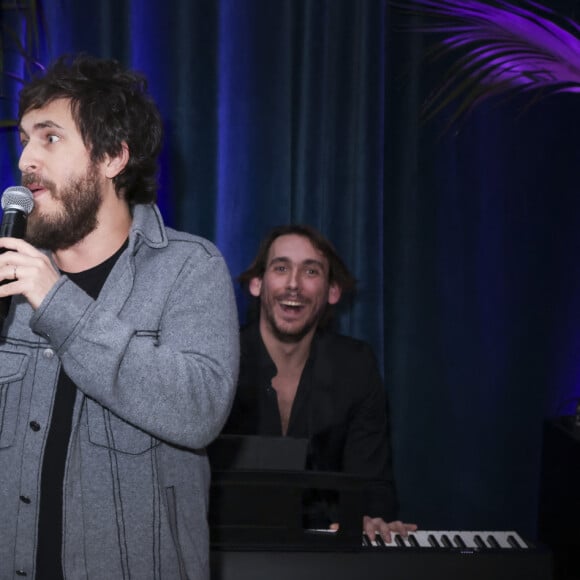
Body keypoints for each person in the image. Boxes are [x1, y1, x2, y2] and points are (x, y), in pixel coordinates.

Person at [0, 54, 239, 580]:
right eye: (24, 140)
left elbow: (199, 409)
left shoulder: (187, 269)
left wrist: (57, 302)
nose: (25, 161)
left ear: (111, 156)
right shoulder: (7, 277)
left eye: (50, 137)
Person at [222, 224, 416, 542]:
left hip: (326, 555)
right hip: (229, 552)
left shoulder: (356, 366)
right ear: (257, 284)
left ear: (332, 291)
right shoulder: (219, 361)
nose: (294, 285)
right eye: (281, 268)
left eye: (310, 271)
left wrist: (370, 519)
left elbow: (374, 484)